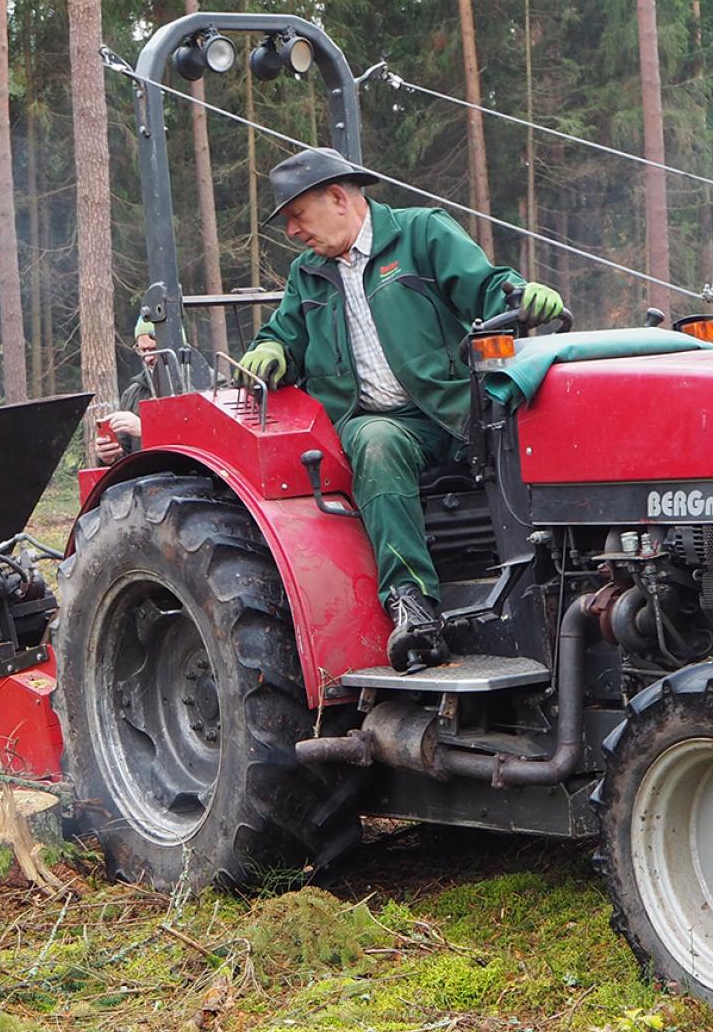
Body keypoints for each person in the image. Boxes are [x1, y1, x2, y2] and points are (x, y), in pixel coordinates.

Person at [239, 147, 564, 671]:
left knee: (540, 417)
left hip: (459, 412)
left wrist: (523, 294)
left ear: (339, 199)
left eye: (298, 217)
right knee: (375, 440)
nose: (293, 233)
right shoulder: (308, 274)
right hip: (384, 426)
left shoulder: (421, 234)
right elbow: (286, 334)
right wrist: (272, 349)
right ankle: (411, 605)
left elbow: (486, 288)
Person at [87, 317, 156, 465]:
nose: (148, 357)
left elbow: (206, 441)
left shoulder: (207, 387)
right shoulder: (133, 394)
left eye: (154, 349)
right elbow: (125, 454)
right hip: (146, 480)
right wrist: (108, 457)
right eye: (143, 350)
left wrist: (146, 429)